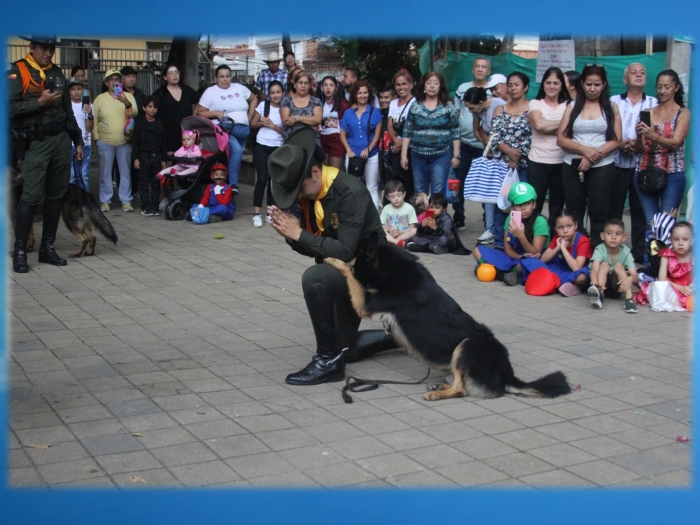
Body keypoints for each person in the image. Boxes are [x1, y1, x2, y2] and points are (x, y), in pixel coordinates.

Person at [266, 127, 386, 385]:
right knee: (347, 351)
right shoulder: (311, 192)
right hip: (341, 269)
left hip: (365, 272)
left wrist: (298, 234)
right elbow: (315, 247)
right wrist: (290, 235)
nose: (297, 196)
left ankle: (327, 361)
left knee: (315, 276)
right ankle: (392, 336)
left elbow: (345, 250)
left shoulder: (349, 191)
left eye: (299, 188)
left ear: (316, 172)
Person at [9, 35, 84, 273]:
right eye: (44, 48)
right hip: (36, 142)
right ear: (32, 47)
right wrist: (38, 103)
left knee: (55, 195)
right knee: (30, 196)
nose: (48, 53)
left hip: (60, 139)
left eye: (51, 49)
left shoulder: (57, 73)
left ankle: (47, 248)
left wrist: (78, 140)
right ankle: (20, 251)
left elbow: (67, 111)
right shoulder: (18, 71)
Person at [558, 64, 622, 247]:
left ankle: (596, 254)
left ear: (603, 85)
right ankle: (575, 251)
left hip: (603, 166)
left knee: (599, 212)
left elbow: (617, 139)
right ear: (582, 85)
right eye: (588, 84)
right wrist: (584, 151)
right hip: (572, 164)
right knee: (574, 211)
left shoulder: (611, 107)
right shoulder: (572, 106)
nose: (592, 89)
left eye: (597, 84)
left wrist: (593, 156)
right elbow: (561, 139)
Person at [634, 69, 691, 245]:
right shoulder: (647, 111)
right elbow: (640, 148)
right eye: (659, 87)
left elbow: (675, 143)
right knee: (651, 221)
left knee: (667, 221)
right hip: (645, 170)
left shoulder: (683, 113)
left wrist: (653, 136)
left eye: (667, 86)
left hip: (673, 172)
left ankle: (668, 265)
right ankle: (651, 264)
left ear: (676, 88)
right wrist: (639, 136)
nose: (662, 91)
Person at [610, 62, 658, 264]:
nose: (638, 75)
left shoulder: (654, 103)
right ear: (625, 79)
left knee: (640, 211)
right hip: (616, 162)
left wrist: (638, 144)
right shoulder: (614, 101)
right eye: (633, 72)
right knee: (614, 208)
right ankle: (613, 249)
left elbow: (657, 132)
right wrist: (620, 143)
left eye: (642, 72)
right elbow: (608, 127)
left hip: (643, 165)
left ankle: (638, 251)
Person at [472, 183, 549, 286]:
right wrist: (519, 256)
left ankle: (494, 271)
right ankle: (505, 274)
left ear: (534, 204)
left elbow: (535, 253)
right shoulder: (510, 219)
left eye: (527, 204)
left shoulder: (540, 222)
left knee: (529, 263)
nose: (523, 208)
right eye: (519, 205)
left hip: (532, 258)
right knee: (477, 251)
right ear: (513, 207)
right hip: (517, 256)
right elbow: (508, 249)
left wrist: (521, 236)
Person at [197, 64, 257, 195]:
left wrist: (250, 115)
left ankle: (227, 191)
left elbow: (254, 99)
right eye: (221, 76)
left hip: (244, 130)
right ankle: (233, 184)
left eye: (227, 76)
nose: (225, 79)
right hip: (225, 130)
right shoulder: (211, 92)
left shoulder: (239, 88)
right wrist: (217, 113)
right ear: (216, 78)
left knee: (236, 156)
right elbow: (200, 112)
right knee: (236, 150)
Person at [489, 72, 533, 251]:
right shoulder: (501, 109)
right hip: (502, 166)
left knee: (521, 204)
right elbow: (493, 136)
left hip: (523, 166)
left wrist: (517, 156)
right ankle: (500, 242)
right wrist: (507, 151)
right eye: (510, 85)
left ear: (525, 87)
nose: (513, 88)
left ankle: (519, 243)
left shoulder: (532, 108)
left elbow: (532, 137)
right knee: (502, 204)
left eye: (517, 85)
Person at [401, 72, 460, 196]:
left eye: (436, 83)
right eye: (429, 83)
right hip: (417, 155)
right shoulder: (415, 105)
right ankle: (422, 216)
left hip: (441, 156)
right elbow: (407, 131)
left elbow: (456, 131)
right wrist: (403, 155)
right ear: (423, 86)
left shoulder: (448, 106)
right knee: (419, 192)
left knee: (438, 193)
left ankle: (437, 216)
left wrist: (456, 155)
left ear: (441, 86)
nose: (432, 86)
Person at [527, 67, 570, 232]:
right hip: (537, 162)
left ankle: (555, 242)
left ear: (562, 85)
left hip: (561, 163)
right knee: (533, 206)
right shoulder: (535, 103)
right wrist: (563, 125)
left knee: (557, 208)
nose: (552, 86)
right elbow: (538, 124)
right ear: (543, 84)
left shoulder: (569, 105)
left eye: (556, 83)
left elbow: (571, 129)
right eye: (548, 82)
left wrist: (548, 127)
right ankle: (534, 239)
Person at [462, 86, 507, 246]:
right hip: (490, 153)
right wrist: (485, 142)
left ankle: (503, 230)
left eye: (471, 107)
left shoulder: (499, 105)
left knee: (503, 194)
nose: (470, 111)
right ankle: (490, 228)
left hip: (504, 156)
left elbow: (503, 132)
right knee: (489, 192)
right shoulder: (477, 110)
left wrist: (493, 144)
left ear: (481, 102)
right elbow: (477, 130)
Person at [452, 58, 491, 230]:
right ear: (472, 68)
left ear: (488, 71)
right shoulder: (462, 88)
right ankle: (459, 216)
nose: (480, 69)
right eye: (477, 66)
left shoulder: (493, 90)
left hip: (485, 147)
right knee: (458, 182)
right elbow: (458, 115)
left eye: (484, 67)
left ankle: (487, 220)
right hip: (465, 143)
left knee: (486, 184)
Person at [93, 68, 138, 212]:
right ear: (106, 83)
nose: (114, 82)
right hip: (105, 141)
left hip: (124, 141)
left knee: (125, 172)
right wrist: (97, 139)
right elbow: (94, 119)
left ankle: (126, 200)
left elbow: (134, 113)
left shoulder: (127, 96)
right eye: (111, 80)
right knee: (105, 173)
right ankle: (105, 200)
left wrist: (126, 102)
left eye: (117, 80)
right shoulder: (100, 99)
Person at [520, 208, 593, 296]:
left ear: (576, 226)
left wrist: (563, 248)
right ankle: (563, 284)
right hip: (559, 268)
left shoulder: (583, 241)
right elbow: (543, 259)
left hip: (574, 271)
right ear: (555, 228)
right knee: (529, 261)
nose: (565, 231)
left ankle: (567, 285)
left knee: (582, 277)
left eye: (569, 226)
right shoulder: (557, 237)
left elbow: (576, 267)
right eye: (560, 227)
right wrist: (557, 248)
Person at [339, 81, 383, 209]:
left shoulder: (375, 111)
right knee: (353, 187)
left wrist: (368, 148)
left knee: (371, 187)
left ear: (369, 94)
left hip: (371, 154)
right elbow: (342, 134)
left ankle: (375, 220)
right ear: (355, 95)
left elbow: (377, 133)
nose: (362, 95)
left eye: (365, 92)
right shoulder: (348, 113)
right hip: (353, 155)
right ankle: (356, 217)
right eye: (359, 93)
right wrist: (348, 150)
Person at [633, 221, 693, 310]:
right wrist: (680, 288)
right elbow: (662, 280)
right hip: (670, 288)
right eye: (676, 239)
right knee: (659, 286)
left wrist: (690, 287)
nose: (680, 243)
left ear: (692, 241)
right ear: (670, 240)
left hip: (688, 290)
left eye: (685, 239)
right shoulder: (666, 256)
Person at [250, 80, 284, 227]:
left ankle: (271, 213)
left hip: (278, 147)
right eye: (272, 93)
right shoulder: (264, 105)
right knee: (262, 178)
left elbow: (288, 132)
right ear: (268, 94)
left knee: (273, 181)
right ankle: (257, 214)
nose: (275, 95)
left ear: (283, 93)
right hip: (262, 145)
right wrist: (261, 123)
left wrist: (274, 126)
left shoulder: (286, 108)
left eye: (278, 92)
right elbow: (252, 123)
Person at [587, 218, 640, 313]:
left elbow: (635, 275)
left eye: (618, 234)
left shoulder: (626, 252)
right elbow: (594, 269)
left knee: (619, 266)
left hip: (617, 287)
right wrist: (595, 282)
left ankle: (629, 299)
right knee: (604, 265)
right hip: (600, 284)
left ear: (624, 237)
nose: (613, 237)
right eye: (609, 233)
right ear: (602, 236)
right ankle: (600, 295)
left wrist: (631, 278)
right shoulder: (600, 249)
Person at [131, 97, 167, 217]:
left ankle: (155, 207)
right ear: (144, 108)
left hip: (156, 156)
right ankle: (146, 206)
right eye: (150, 107)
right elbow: (135, 141)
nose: (152, 110)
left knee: (156, 183)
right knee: (144, 183)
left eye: (154, 107)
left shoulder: (159, 123)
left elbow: (163, 142)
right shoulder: (140, 123)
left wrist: (163, 159)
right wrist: (136, 158)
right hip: (144, 156)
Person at [152, 64, 199, 154]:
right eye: (171, 73)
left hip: (185, 133)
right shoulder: (160, 93)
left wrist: (195, 113)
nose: (174, 75)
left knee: (186, 159)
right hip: (167, 134)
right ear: (165, 77)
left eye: (176, 72)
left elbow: (199, 100)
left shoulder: (187, 90)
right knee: (170, 160)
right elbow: (152, 108)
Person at [386, 69, 416, 200]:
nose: (401, 87)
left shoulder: (416, 103)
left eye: (404, 83)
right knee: (398, 184)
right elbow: (390, 124)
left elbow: (415, 126)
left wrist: (402, 144)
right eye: (398, 84)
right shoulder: (393, 103)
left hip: (411, 148)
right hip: (396, 147)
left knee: (410, 184)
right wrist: (395, 141)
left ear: (411, 84)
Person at [317, 75, 350, 169]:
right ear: (321, 88)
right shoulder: (318, 103)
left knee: (333, 172)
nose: (328, 87)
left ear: (336, 88)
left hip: (337, 139)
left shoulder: (342, 104)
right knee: (323, 172)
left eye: (331, 85)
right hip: (322, 139)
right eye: (325, 85)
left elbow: (348, 124)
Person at [280, 70, 322, 140]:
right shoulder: (286, 100)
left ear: (309, 86)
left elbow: (318, 120)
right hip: (292, 141)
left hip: (311, 142)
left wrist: (297, 118)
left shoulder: (316, 101)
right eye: (300, 82)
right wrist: (311, 123)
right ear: (294, 85)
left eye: (306, 83)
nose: (303, 85)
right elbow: (286, 121)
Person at [68, 76, 93, 190]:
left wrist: (90, 115)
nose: (76, 91)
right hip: (69, 144)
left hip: (85, 144)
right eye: (73, 89)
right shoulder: (66, 106)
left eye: (79, 88)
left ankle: (85, 202)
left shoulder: (88, 106)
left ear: (83, 90)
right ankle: (72, 203)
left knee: (84, 176)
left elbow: (89, 128)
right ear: (69, 91)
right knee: (71, 176)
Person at [380, 180, 418, 246]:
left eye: (399, 195)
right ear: (387, 197)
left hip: (404, 234)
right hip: (390, 235)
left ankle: (394, 242)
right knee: (380, 231)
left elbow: (412, 226)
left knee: (415, 231)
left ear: (404, 194)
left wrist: (400, 233)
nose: (396, 198)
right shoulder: (386, 208)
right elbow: (382, 225)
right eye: (392, 196)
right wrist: (389, 229)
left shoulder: (409, 208)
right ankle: (397, 242)